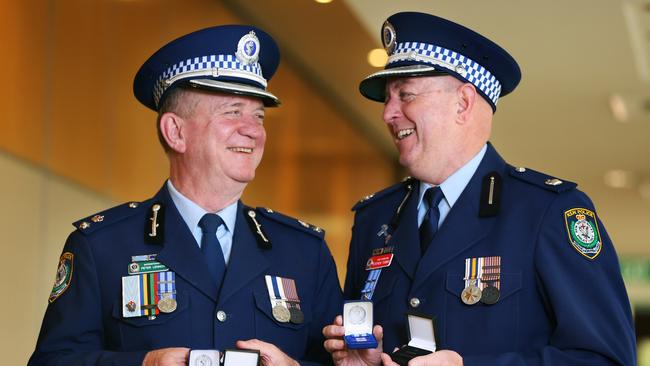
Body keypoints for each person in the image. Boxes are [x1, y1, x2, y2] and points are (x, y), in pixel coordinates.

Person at [323, 11, 636, 366]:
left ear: (463, 102)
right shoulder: (375, 219)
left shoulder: (547, 210)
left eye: (406, 95)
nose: (388, 114)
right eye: (387, 99)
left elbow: (607, 359)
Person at [29, 25, 342, 366]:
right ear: (175, 131)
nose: (253, 130)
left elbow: (342, 361)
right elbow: (53, 360)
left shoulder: (304, 251)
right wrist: (144, 364)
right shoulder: (101, 245)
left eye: (259, 116)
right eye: (233, 112)